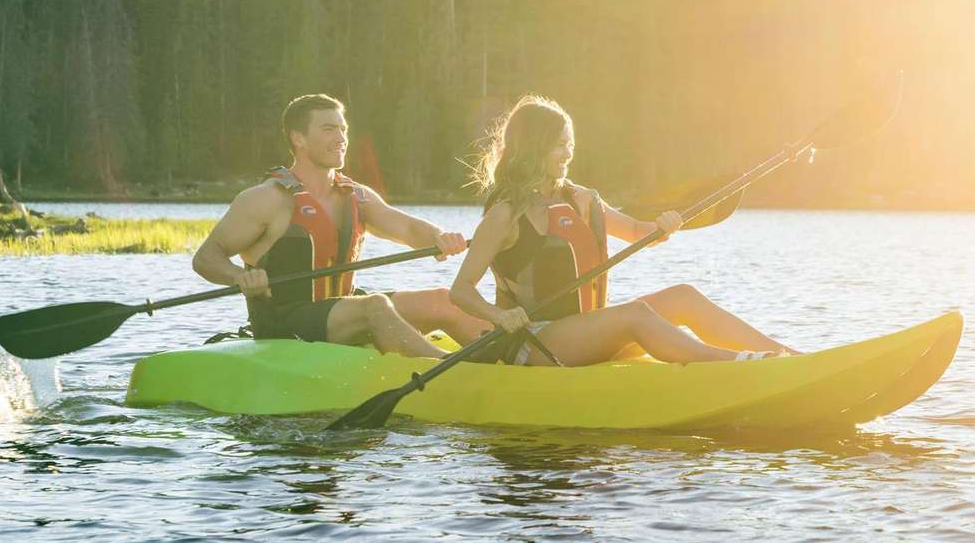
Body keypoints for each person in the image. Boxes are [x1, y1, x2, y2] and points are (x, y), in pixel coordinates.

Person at [449, 95, 799, 366]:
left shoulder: (582, 199)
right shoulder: (505, 214)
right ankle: (733, 365)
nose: (568, 154)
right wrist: (499, 316)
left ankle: (790, 358)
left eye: (570, 144)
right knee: (633, 315)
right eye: (559, 145)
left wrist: (662, 226)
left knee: (683, 295)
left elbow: (635, 230)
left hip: (589, 331)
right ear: (534, 148)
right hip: (536, 342)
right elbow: (461, 291)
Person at [193, 94, 491, 357]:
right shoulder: (265, 199)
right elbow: (206, 257)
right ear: (299, 139)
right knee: (374, 306)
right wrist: (238, 277)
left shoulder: (357, 196)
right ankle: (446, 371)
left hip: (344, 313)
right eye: (328, 129)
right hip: (285, 322)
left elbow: (410, 230)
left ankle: (518, 361)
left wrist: (439, 237)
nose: (341, 138)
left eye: (343, 129)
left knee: (443, 300)